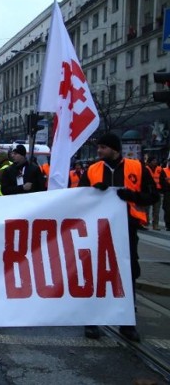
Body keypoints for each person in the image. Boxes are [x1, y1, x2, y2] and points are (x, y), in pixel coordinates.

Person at [79, 132, 158, 342]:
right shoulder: (93, 170)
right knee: (96, 272)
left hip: (127, 228)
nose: (98, 151)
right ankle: (92, 320)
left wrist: (132, 196)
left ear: (114, 149)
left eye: (102, 147)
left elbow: (153, 196)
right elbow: (78, 197)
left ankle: (127, 322)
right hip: (99, 229)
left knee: (127, 271)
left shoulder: (137, 168)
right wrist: (94, 192)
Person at [145, 157, 164, 230]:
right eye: (153, 160)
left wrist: (163, 189)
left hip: (157, 191)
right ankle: (146, 223)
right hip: (148, 191)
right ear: (149, 162)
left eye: (155, 160)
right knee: (146, 209)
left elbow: (162, 179)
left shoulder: (160, 169)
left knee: (156, 210)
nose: (155, 162)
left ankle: (155, 225)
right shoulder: (145, 169)